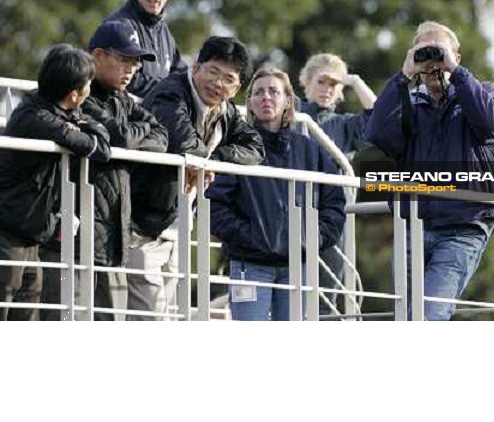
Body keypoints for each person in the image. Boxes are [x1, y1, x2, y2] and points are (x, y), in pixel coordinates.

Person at [365, 21, 494, 321]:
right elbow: (377, 132)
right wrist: (403, 76)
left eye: (439, 51)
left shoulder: (488, 94)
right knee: (406, 319)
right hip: (412, 227)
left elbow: (488, 122)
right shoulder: (411, 104)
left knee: (429, 316)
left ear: (457, 56)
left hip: (463, 227)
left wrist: (454, 72)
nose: (433, 63)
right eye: (424, 54)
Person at [128, 36, 265, 320]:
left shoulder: (225, 111)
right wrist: (200, 159)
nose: (218, 83)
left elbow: (255, 147)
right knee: (148, 314)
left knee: (165, 313)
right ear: (195, 68)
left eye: (228, 78)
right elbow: (185, 142)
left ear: (237, 88)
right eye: (213, 72)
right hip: (142, 223)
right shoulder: (170, 93)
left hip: (178, 222)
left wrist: (211, 162)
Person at [40, 23, 170, 320]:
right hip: (66, 234)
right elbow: (121, 137)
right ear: (97, 55)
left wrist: (134, 135)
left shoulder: (122, 99)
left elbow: (162, 136)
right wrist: (135, 135)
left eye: (136, 62)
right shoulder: (76, 95)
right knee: (59, 320)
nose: (133, 69)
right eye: (125, 60)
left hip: (110, 237)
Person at [207, 68, 346, 321]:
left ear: (288, 100)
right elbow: (213, 205)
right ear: (249, 102)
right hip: (249, 265)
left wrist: (310, 239)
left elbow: (334, 203)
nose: (266, 97)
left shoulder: (311, 151)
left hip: (297, 267)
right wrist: (251, 237)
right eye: (258, 92)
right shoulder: (233, 148)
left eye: (274, 91)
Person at [0, 45, 111, 321]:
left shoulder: (55, 110)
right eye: (87, 86)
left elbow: (100, 141)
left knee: (26, 311)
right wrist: (82, 129)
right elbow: (97, 147)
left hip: (29, 234)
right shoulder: (35, 117)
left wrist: (83, 125)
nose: (89, 91)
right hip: (9, 231)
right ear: (74, 94)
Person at [298, 53, 376, 316]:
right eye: (321, 81)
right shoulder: (290, 113)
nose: (327, 89)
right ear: (306, 82)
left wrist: (353, 80)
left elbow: (378, 118)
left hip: (331, 222)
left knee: (325, 297)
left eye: (334, 84)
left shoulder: (345, 125)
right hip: (290, 214)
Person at [101, 0, 187, 98]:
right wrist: (170, 90)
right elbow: (126, 79)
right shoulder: (119, 27)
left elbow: (180, 73)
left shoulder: (164, 32)